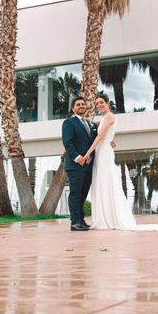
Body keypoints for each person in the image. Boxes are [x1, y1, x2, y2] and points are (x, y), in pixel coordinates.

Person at [83, 94, 158, 231]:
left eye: (102, 102)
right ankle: (104, 217)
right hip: (102, 150)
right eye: (97, 103)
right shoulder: (104, 118)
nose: (99, 105)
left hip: (104, 152)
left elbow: (101, 136)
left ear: (108, 103)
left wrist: (87, 153)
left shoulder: (110, 116)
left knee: (106, 182)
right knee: (102, 182)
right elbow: (97, 127)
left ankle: (110, 219)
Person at [61, 97, 96, 231]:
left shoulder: (89, 124)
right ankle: (75, 222)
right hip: (75, 165)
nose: (81, 106)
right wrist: (77, 157)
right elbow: (68, 142)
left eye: (83, 104)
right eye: (78, 104)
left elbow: (95, 140)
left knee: (83, 193)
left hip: (88, 165)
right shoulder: (69, 122)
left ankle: (80, 219)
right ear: (73, 108)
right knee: (75, 193)